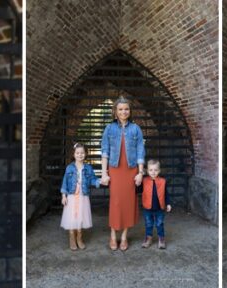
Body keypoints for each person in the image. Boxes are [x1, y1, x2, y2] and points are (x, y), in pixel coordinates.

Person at [99, 96, 145, 251]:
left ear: (130, 111)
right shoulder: (109, 128)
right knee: (116, 202)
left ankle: (124, 236)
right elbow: (104, 151)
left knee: (128, 202)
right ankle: (113, 235)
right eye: (120, 109)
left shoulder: (136, 129)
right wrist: (104, 173)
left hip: (131, 170)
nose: (123, 112)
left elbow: (140, 151)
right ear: (115, 111)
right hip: (115, 170)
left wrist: (140, 172)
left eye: (126, 109)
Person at [58, 143, 100, 251]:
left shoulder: (88, 168)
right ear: (74, 154)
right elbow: (65, 182)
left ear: (85, 154)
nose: (80, 155)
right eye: (77, 153)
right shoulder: (69, 168)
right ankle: (72, 237)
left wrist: (99, 181)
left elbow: (92, 179)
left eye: (82, 153)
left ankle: (79, 238)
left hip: (83, 197)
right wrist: (64, 196)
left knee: (81, 216)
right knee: (72, 217)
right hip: (72, 196)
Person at [140, 159, 172, 249]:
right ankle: (148, 238)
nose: (153, 172)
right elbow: (137, 190)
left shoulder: (163, 181)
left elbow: (166, 193)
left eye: (155, 170)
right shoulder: (144, 180)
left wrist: (168, 203)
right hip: (147, 208)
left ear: (159, 170)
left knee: (159, 224)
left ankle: (161, 239)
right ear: (147, 171)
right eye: (151, 170)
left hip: (159, 208)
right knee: (148, 224)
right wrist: (140, 176)